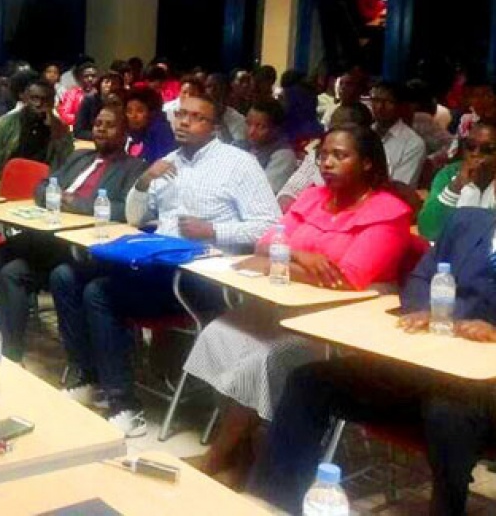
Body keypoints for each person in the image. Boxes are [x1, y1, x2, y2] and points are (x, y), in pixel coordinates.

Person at [183, 124, 415, 485]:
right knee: (221, 334)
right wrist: (299, 256)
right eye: (323, 155)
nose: (327, 163)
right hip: (286, 307)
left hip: (337, 327)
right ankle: (244, 453)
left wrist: (272, 263)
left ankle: (219, 456)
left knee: (264, 359)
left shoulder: (389, 212)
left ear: (367, 163)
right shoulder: (312, 198)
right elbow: (265, 241)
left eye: (340, 155)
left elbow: (347, 277)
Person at [56, 92, 279, 437]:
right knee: (66, 276)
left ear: (215, 127)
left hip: (203, 276)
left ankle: (125, 405)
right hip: (156, 262)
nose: (184, 122)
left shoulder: (238, 164)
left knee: (99, 293)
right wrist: (143, 182)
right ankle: (89, 377)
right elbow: (135, 218)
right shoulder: (166, 161)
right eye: (181, 115)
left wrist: (214, 230)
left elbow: (271, 226)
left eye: (196, 117)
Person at [248, 206, 496, 516]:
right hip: (428, 365)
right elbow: (419, 281)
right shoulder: (466, 221)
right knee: (309, 381)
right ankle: (274, 503)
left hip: (483, 391)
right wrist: (432, 313)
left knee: (447, 412)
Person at [0, 106, 146, 361]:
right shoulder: (79, 157)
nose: (101, 129)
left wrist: (77, 204)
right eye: (98, 123)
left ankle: (8, 357)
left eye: (110, 125)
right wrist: (55, 198)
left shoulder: (134, 168)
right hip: (44, 234)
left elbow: (125, 210)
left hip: (75, 246)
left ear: (124, 134)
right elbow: (42, 187)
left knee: (12, 273)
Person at [277, 102, 375, 211]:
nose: (327, 163)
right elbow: (290, 191)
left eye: (340, 155)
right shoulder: (316, 156)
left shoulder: (378, 203)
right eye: (332, 127)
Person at [0, 80, 73, 185]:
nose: (39, 104)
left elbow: (68, 167)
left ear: (52, 102)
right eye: (34, 98)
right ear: (25, 99)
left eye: (45, 100)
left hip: (45, 186)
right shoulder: (7, 124)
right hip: (8, 184)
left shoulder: (61, 129)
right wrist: (1, 190)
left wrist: (57, 133)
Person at [418, 120, 496, 240]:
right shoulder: (449, 174)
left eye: (487, 149)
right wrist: (455, 187)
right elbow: (428, 230)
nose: (476, 153)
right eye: (470, 146)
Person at [370, 81, 426, 187]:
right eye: (376, 100)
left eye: (388, 102)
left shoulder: (413, 143)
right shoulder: (364, 132)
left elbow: (400, 186)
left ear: (400, 106)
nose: (380, 107)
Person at [239, 100, 298, 194]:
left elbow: (264, 192)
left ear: (276, 129)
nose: (251, 132)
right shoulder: (240, 145)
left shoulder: (283, 156)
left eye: (261, 127)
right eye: (248, 124)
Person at [123, 88, 174, 163]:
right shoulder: (128, 133)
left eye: (140, 111)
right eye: (129, 111)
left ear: (152, 112)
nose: (133, 116)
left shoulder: (162, 133)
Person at [74, 71, 125, 140]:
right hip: (93, 141)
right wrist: (101, 136)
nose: (110, 85)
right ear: (100, 84)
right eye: (107, 82)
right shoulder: (89, 100)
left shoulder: (124, 102)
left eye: (114, 83)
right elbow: (78, 131)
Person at [205, 73, 246, 143]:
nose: (211, 91)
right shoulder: (198, 116)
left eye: (216, 87)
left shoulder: (238, 119)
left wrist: (219, 119)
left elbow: (239, 147)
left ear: (225, 92)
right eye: (208, 86)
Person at [56, 61, 98, 127]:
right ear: (79, 78)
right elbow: (64, 115)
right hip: (79, 129)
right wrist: (84, 118)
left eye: (93, 76)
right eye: (86, 76)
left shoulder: (100, 94)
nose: (90, 79)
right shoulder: (72, 94)